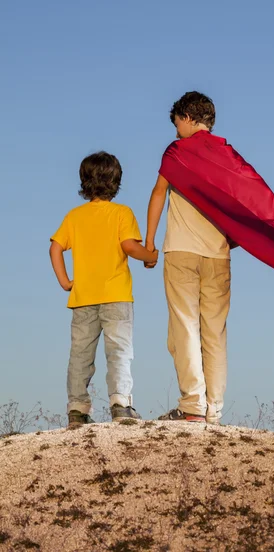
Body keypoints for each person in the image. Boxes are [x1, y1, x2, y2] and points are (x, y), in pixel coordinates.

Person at [50, 151, 158, 426]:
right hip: (116, 297)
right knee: (119, 351)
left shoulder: (75, 216)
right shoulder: (122, 213)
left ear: (84, 181)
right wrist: (150, 255)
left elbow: (55, 247)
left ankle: (77, 409)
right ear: (117, 182)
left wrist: (65, 282)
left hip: (83, 297)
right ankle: (120, 405)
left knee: (80, 356)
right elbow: (129, 247)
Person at [145, 92, 231, 424]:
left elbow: (158, 192)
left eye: (177, 123)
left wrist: (150, 244)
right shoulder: (226, 154)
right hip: (218, 255)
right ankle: (214, 409)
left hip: (181, 249)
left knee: (184, 327)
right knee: (215, 332)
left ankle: (193, 405)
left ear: (188, 117)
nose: (176, 130)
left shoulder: (178, 151)